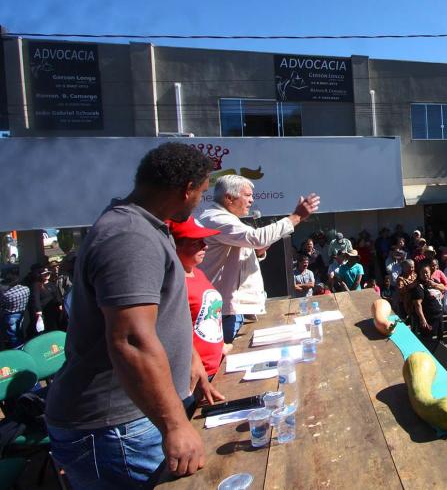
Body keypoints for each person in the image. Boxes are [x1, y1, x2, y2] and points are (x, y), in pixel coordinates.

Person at [45, 142, 221, 485]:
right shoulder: (130, 237)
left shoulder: (146, 227)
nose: (201, 200)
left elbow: (161, 318)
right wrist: (174, 424)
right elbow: (131, 340)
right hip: (116, 429)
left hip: (134, 419)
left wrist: (190, 361)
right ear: (186, 190)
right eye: (201, 192)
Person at [199, 175, 320, 343]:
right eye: (247, 195)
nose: (251, 200)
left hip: (230, 310)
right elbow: (256, 238)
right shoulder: (217, 219)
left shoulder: (225, 219)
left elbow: (246, 249)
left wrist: (257, 252)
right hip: (224, 312)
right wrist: (296, 217)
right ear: (229, 198)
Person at [170, 216, 225, 378]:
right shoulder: (172, 282)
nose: (205, 246)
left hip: (217, 366)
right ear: (174, 246)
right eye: (196, 242)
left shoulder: (198, 272)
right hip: (197, 376)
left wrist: (220, 347)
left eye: (204, 240)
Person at [409, 263, 446, 348]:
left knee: (440, 337)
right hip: (429, 318)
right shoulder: (419, 287)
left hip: (439, 315)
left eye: (427, 272)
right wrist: (422, 319)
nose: (425, 275)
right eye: (423, 273)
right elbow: (417, 304)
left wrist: (434, 285)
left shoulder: (433, 281)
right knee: (427, 339)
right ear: (419, 274)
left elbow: (444, 288)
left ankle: (440, 347)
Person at [0, 269, 29, 349]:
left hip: (10, 316)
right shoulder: (26, 289)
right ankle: (22, 347)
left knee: (13, 336)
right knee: (19, 332)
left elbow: (2, 304)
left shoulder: (7, 294)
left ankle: (17, 351)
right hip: (22, 313)